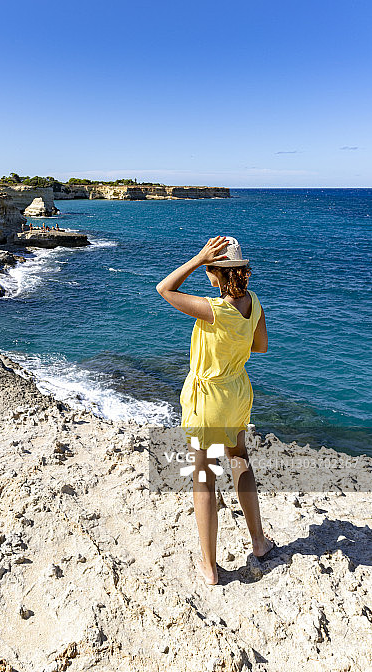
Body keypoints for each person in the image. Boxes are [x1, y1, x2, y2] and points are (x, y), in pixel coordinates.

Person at [156, 235, 274, 586]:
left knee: (204, 474)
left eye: (208, 268)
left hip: (208, 395)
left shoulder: (213, 309)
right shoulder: (252, 302)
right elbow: (261, 346)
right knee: (240, 458)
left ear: (215, 272)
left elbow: (165, 288)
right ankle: (259, 542)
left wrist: (196, 257)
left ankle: (209, 566)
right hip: (238, 390)